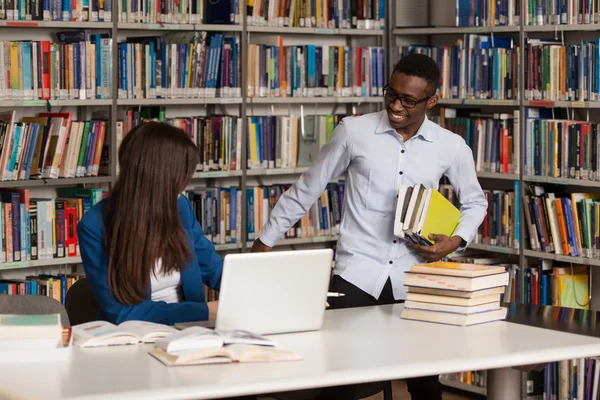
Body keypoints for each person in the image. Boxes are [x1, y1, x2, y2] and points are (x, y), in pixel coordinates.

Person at [252, 53, 488, 399]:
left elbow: (475, 202)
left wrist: (455, 240)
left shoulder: (450, 146)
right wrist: (263, 246)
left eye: (408, 100)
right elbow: (308, 189)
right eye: (391, 94)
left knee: (424, 380)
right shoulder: (354, 131)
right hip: (357, 271)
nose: (396, 105)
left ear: (431, 101)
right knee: (340, 377)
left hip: (414, 275)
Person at [77, 121, 222, 325]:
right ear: (160, 178)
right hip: (136, 336)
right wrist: (205, 311)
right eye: (180, 177)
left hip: (192, 330)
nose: (184, 185)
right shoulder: (95, 226)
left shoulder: (180, 207)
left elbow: (211, 267)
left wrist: (257, 288)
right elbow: (125, 313)